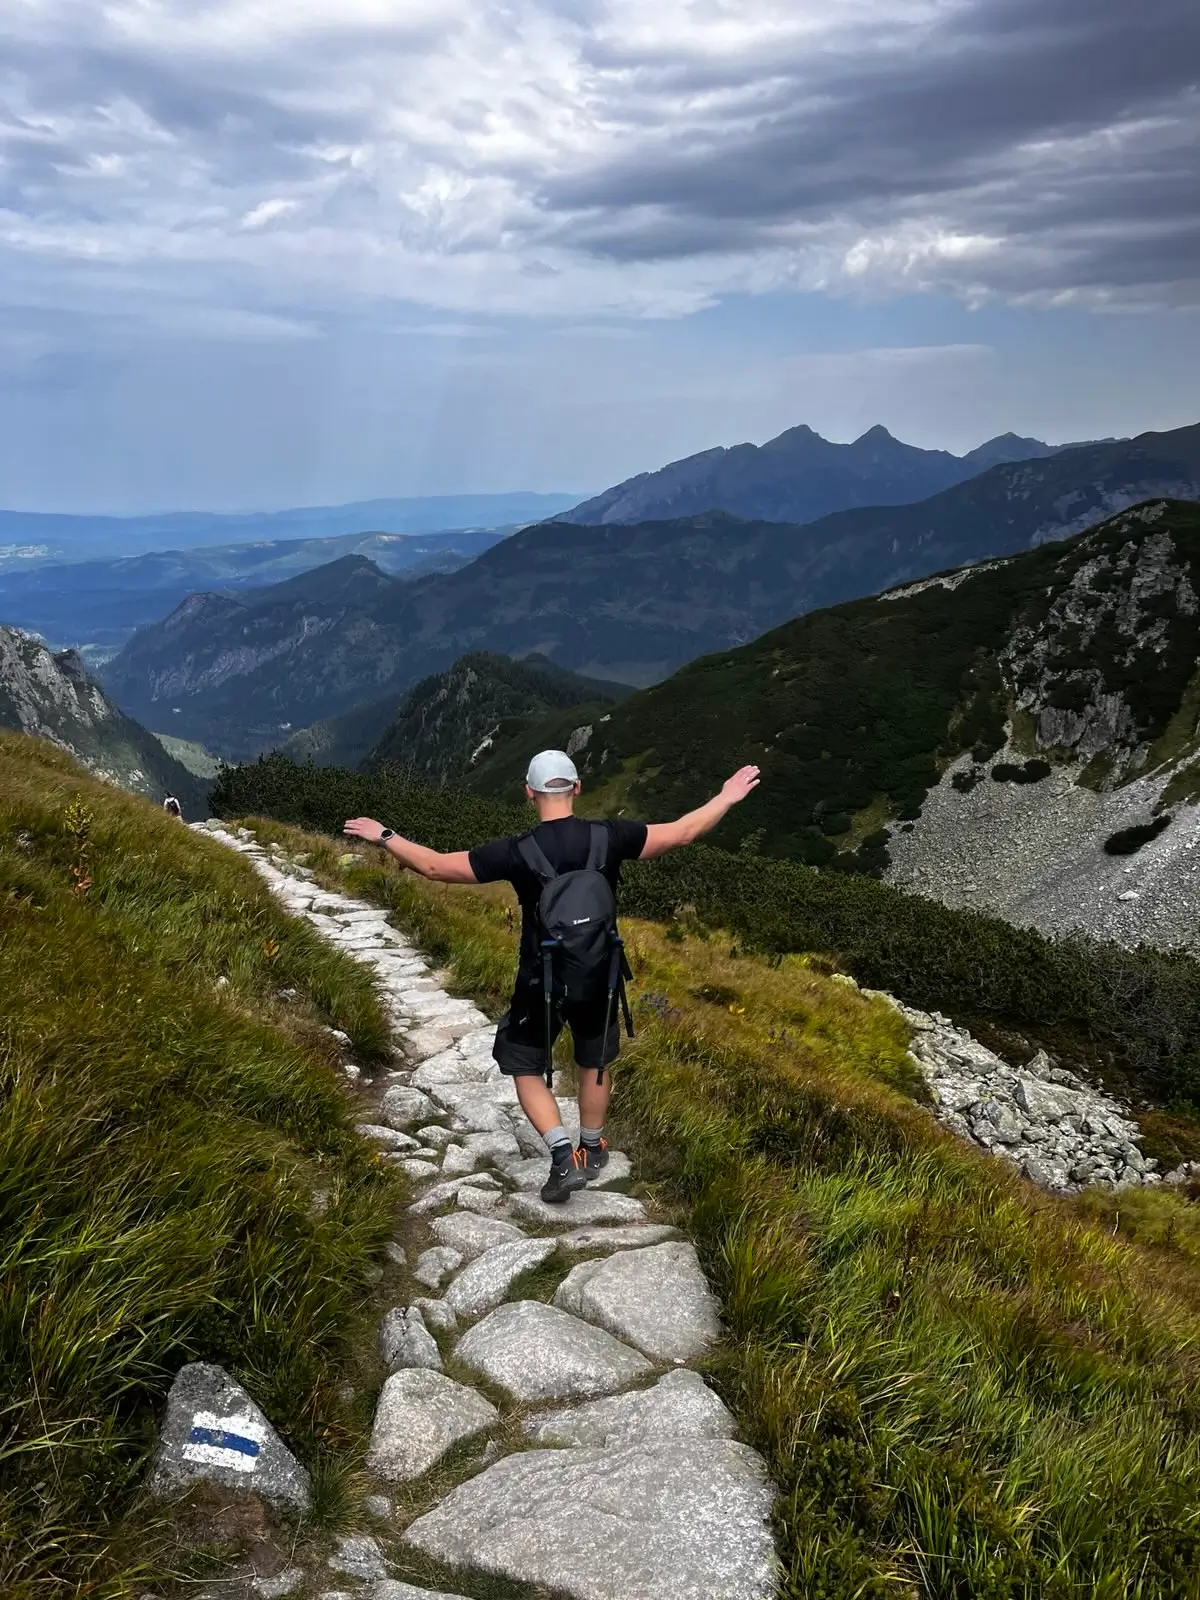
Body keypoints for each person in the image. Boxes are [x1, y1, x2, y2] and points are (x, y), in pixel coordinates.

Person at [343, 750, 760, 1203]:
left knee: (524, 1063)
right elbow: (683, 832)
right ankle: (592, 1148)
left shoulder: (516, 851)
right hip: (600, 974)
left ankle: (563, 1156)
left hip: (541, 980)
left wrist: (385, 835)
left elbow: (434, 866)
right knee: (594, 1061)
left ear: (529, 793)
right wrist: (726, 796)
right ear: (576, 788)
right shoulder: (610, 836)